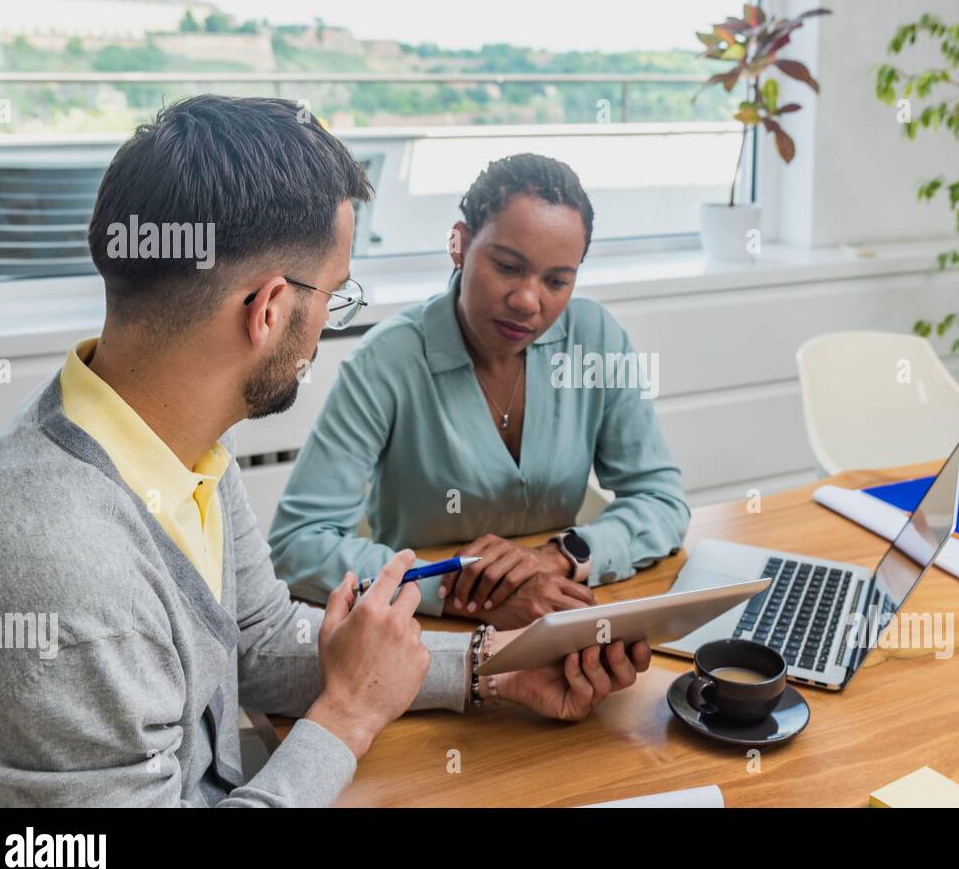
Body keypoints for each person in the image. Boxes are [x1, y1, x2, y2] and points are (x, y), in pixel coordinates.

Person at [0, 97, 650, 807]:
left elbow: (257, 640)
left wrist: (490, 668)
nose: (328, 324)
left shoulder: (177, 442)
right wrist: (347, 715)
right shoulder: (55, 564)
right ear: (270, 310)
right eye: (335, 295)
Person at [268, 153, 691, 630]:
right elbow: (297, 545)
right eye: (508, 267)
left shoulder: (593, 338)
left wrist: (558, 556)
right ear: (461, 245)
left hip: (557, 616)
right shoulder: (384, 362)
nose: (529, 300)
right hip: (422, 632)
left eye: (556, 280)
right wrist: (462, 593)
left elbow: (661, 499)